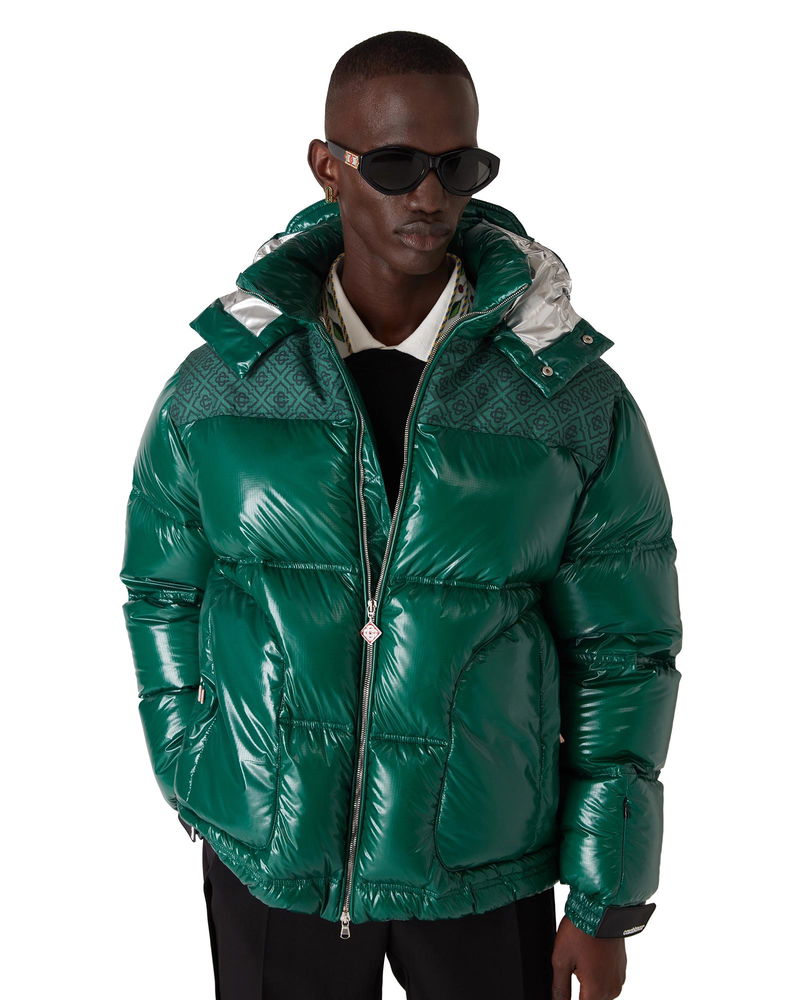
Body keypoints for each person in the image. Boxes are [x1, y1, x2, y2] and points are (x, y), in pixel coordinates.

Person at [119, 29, 682, 1000]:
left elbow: (623, 651)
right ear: (327, 167)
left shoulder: (566, 398)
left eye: (457, 166)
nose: (428, 196)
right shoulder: (221, 384)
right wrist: (192, 760)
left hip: (482, 864)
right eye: (393, 165)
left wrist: (605, 896)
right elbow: (162, 591)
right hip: (273, 857)